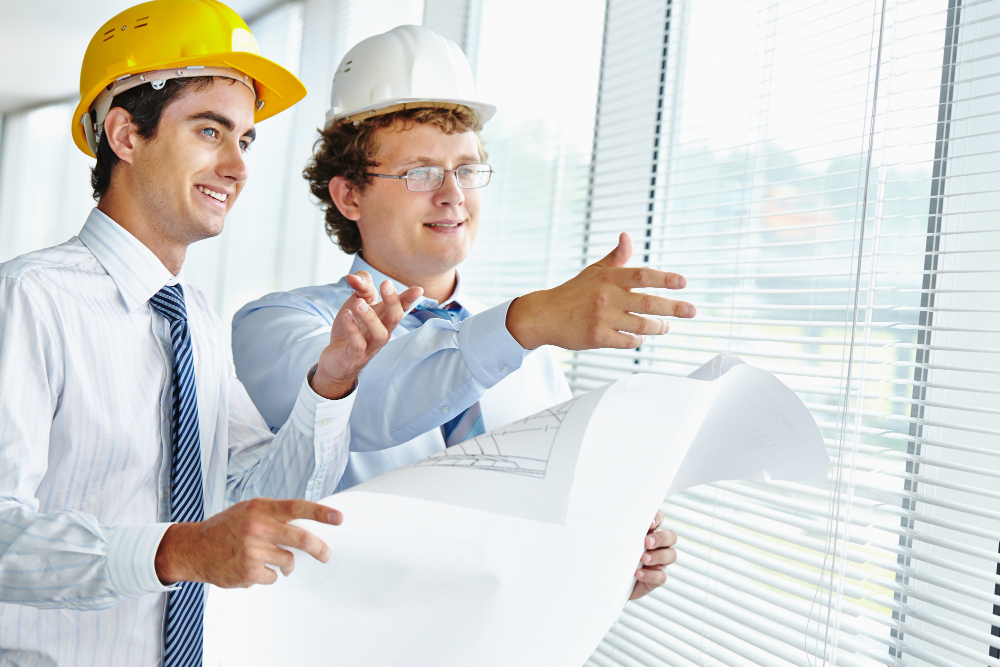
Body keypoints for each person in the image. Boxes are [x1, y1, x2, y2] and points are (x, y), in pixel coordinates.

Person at [0, 2, 421, 664]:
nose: (238, 166)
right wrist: (180, 549)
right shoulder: (29, 297)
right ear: (125, 135)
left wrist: (333, 380)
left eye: (245, 140)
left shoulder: (192, 314)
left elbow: (267, 496)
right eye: (209, 131)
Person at [234, 25, 690, 601]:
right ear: (349, 195)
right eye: (420, 172)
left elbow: (540, 530)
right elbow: (372, 405)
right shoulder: (277, 325)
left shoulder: (532, 357)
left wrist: (612, 561)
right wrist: (529, 321)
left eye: (467, 169)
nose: (453, 194)